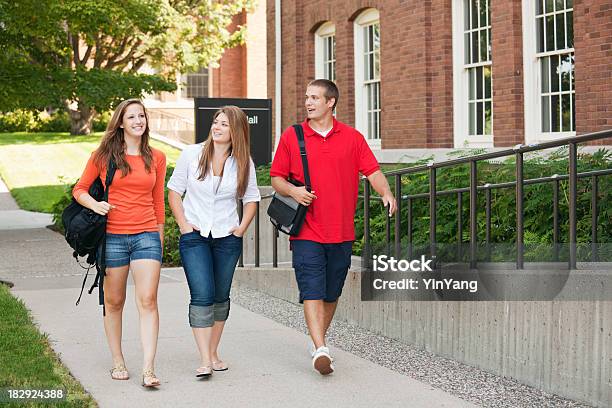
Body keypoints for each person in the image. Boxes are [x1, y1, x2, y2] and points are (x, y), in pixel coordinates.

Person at [270, 79, 397, 375]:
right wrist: (294, 191)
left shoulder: (352, 138)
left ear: (331, 103)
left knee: (331, 292)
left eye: (314, 97)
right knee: (311, 288)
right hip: (307, 230)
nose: (308, 102)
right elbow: (277, 178)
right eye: (306, 97)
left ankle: (318, 343)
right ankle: (321, 347)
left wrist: (386, 192)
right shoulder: (293, 136)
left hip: (341, 231)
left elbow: (373, 171)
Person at [73, 99, 166, 387]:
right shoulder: (103, 156)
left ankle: (149, 369)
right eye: (132, 116)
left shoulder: (157, 157)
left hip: (146, 235)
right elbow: (79, 189)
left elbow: (158, 202)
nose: (138, 120)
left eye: (142, 115)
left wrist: (160, 242)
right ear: (121, 123)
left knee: (148, 300)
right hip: (112, 236)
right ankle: (118, 360)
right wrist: (96, 204)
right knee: (114, 301)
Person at [167, 105, 260, 378]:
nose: (217, 127)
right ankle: (205, 359)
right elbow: (174, 192)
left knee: (221, 298)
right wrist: (184, 225)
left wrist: (241, 229)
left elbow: (252, 198)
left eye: (224, 124)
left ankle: (213, 351)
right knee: (202, 294)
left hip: (226, 238)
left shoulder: (244, 162)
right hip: (194, 237)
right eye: (216, 122)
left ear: (237, 131)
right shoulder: (192, 154)